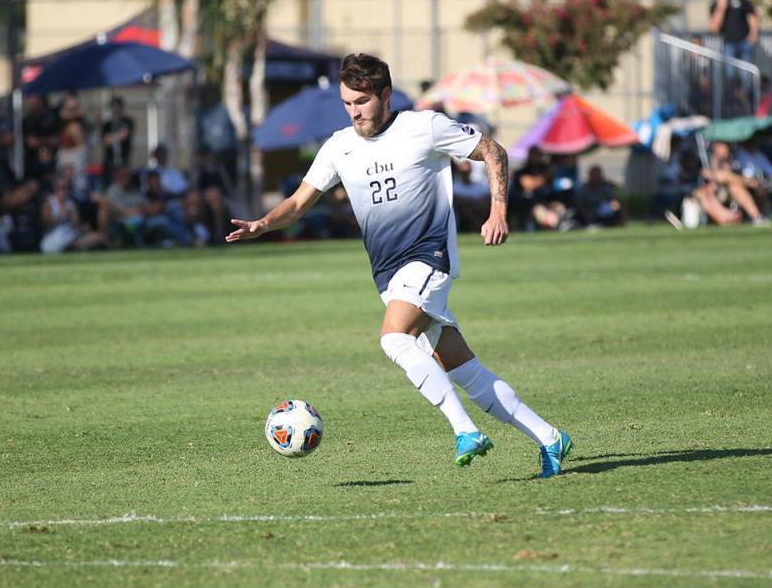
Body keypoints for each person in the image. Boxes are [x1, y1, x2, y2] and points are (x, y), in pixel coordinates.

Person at [227, 53, 573, 478]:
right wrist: (262, 224)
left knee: (393, 339)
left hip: (429, 258)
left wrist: (498, 210)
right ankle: (550, 438)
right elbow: (298, 202)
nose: (354, 111)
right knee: (465, 371)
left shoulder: (424, 127)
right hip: (389, 276)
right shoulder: (339, 146)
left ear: (386, 95)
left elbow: (493, 151)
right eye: (347, 103)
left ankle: (465, 430)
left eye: (362, 101)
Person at [709, 0, 758, 64]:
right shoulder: (714, 6)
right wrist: (721, 9)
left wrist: (753, 35)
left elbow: (753, 15)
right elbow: (714, 28)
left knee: (746, 73)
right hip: (729, 43)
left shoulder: (739, 0)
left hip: (744, 42)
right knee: (730, 72)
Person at [101, 95, 134, 184]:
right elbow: (105, 141)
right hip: (110, 160)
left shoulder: (128, 122)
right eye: (114, 107)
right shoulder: (107, 124)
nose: (116, 110)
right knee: (109, 183)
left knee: (123, 182)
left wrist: (111, 137)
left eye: (118, 107)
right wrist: (117, 136)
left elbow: (124, 135)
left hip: (123, 159)